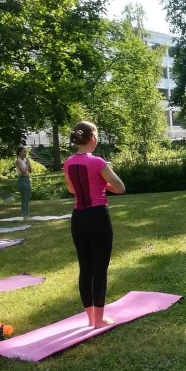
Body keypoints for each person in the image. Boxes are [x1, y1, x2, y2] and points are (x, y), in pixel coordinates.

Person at [63, 121, 126, 329]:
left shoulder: (68, 163)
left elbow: (72, 189)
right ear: (93, 139)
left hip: (78, 218)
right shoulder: (98, 162)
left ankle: (91, 318)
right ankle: (99, 320)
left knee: (85, 268)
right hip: (98, 216)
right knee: (100, 269)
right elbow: (120, 187)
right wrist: (102, 184)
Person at [15, 147, 32, 220]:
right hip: (22, 179)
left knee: (27, 198)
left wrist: (29, 165)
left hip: (27, 179)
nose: (25, 153)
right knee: (24, 198)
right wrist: (27, 165)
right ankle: (24, 215)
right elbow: (23, 171)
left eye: (25, 151)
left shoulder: (26, 160)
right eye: (24, 151)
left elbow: (30, 171)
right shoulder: (18, 161)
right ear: (19, 152)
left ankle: (27, 215)